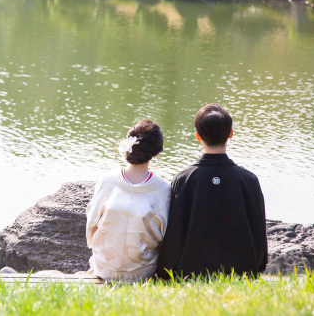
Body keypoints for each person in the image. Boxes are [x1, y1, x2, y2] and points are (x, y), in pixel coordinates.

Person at [156, 104, 267, 279]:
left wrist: (164, 274)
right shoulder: (249, 180)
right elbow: (259, 232)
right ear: (230, 134)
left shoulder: (183, 179)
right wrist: (257, 268)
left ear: (197, 136)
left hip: (190, 274)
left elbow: (175, 235)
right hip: (240, 273)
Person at [85, 120, 171, 282]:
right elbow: (164, 237)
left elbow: (91, 224)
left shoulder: (107, 180)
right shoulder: (163, 189)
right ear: (156, 153)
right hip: (143, 272)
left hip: (106, 268)